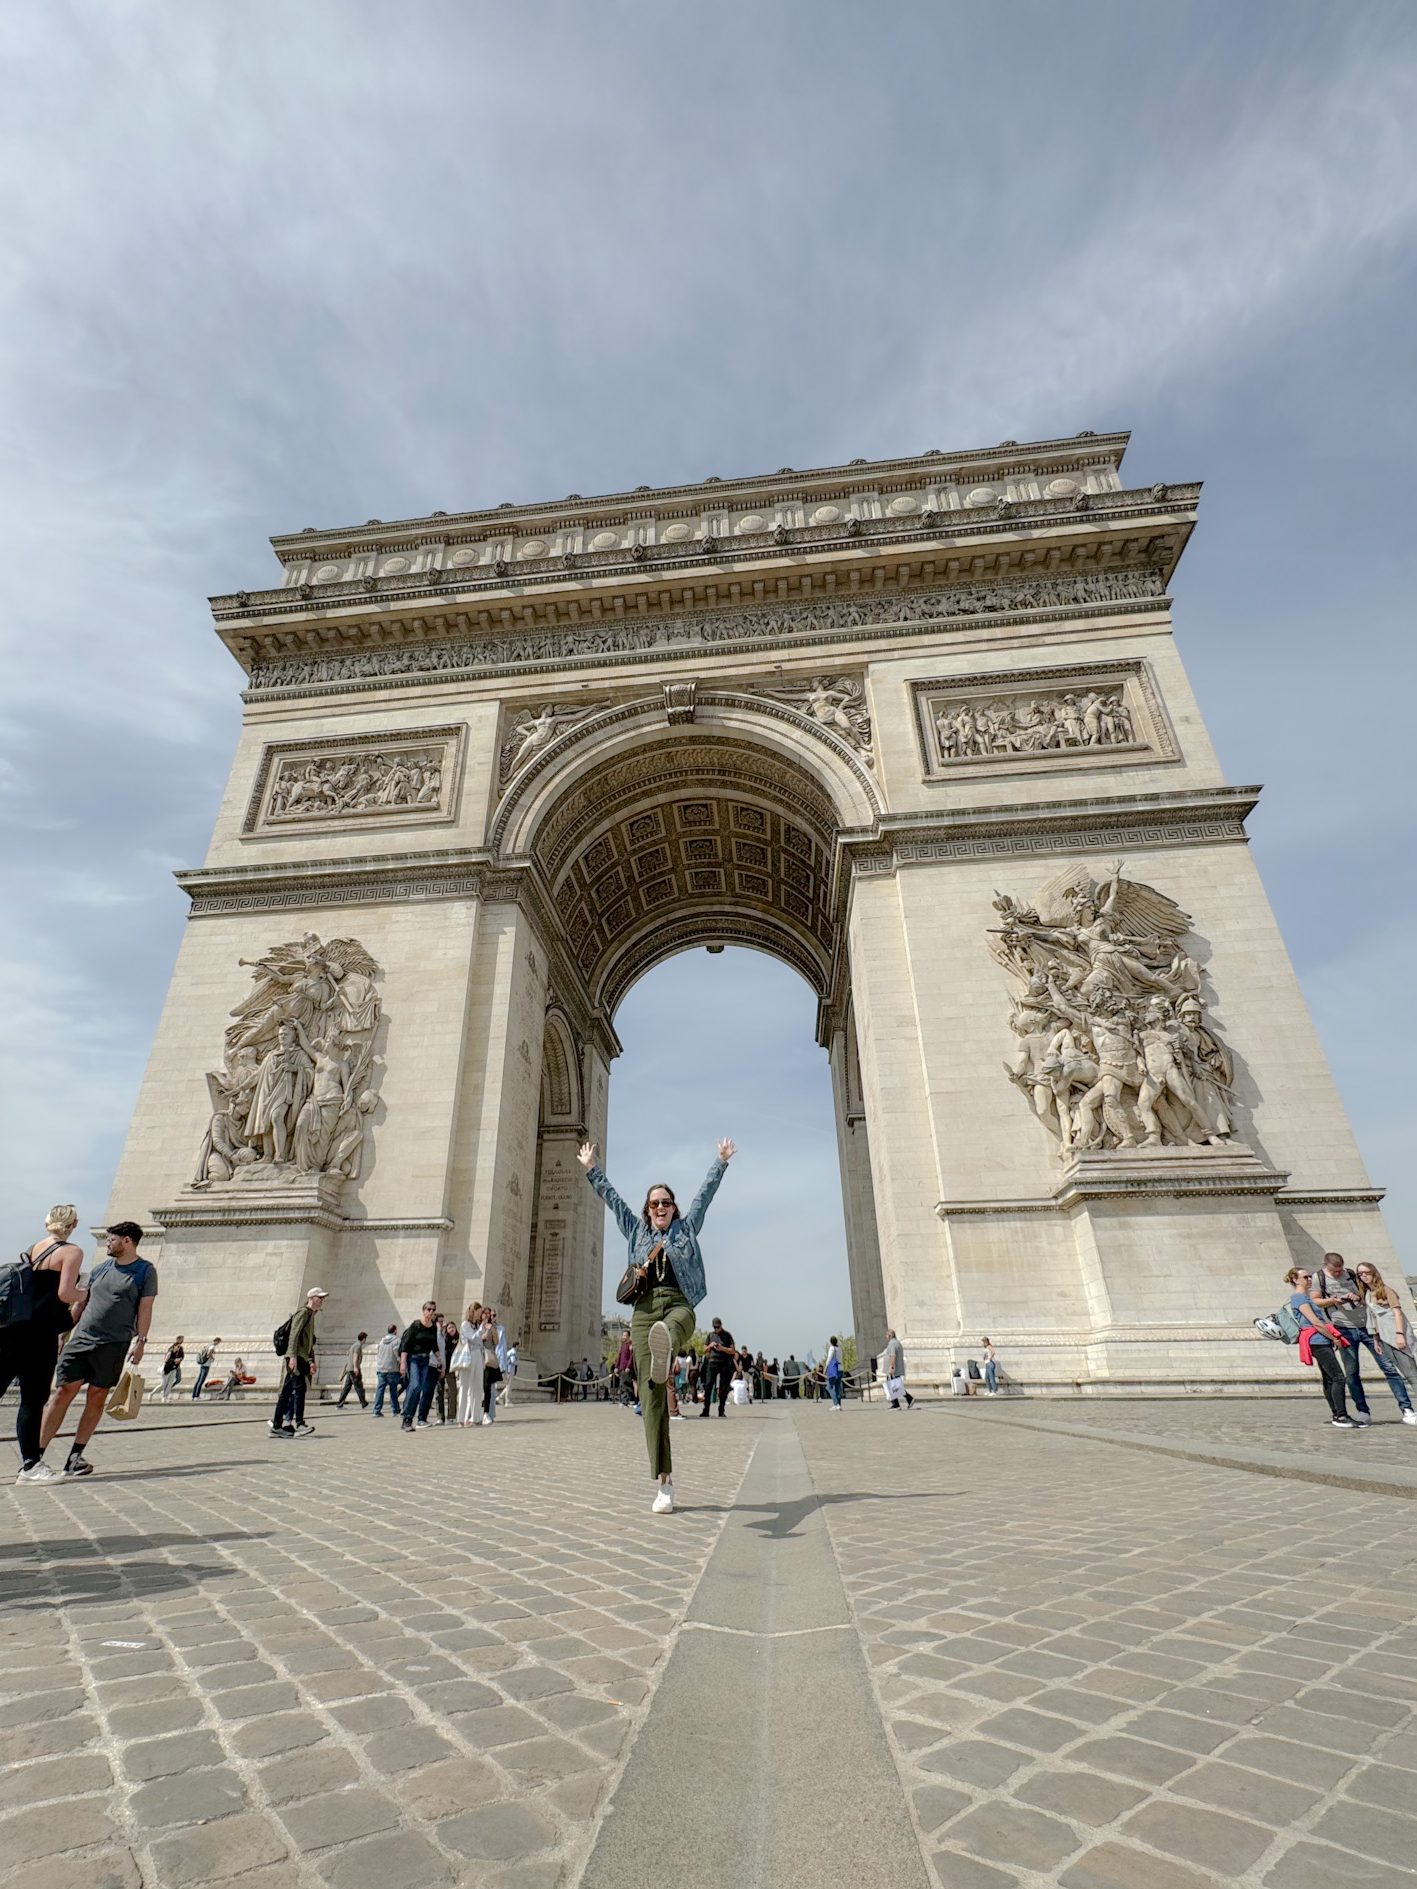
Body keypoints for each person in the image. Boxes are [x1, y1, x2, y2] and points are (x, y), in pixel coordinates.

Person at [580, 1135, 735, 1514]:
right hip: (644, 1311)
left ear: (674, 1207)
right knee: (651, 1403)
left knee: (674, 1325)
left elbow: (704, 1196)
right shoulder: (636, 1231)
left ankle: (666, 1343)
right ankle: (664, 1482)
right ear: (647, 1210)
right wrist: (592, 1169)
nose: (661, 1207)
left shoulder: (687, 1227)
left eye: (666, 1202)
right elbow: (613, 1201)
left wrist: (721, 1162)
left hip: (679, 1305)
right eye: (655, 1203)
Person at [34, 1222, 157, 1479]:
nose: (107, 1243)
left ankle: (75, 1457)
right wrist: (64, 1332)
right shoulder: (101, 1268)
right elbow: (82, 1303)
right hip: (82, 1339)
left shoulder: (145, 1271)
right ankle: (35, 1457)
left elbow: (145, 1308)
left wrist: (142, 1342)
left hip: (114, 1343)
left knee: (97, 1396)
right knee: (62, 1392)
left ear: (127, 1241)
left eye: (112, 1239)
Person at [5, 1205, 86, 1483]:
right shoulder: (72, 1251)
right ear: (74, 1224)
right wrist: (84, 1293)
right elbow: (65, 1293)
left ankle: (31, 1465)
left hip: (12, 1330)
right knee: (32, 1400)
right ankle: (30, 1466)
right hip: (39, 1335)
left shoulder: (33, 1248)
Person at [1309, 1252, 1416, 1426]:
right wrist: (1333, 1300)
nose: (1338, 1273)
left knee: (1389, 1368)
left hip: (1366, 1326)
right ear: (1325, 1265)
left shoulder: (1352, 1274)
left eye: (1340, 1270)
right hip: (1343, 1328)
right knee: (1352, 1372)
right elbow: (1315, 1300)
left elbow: (1366, 1293)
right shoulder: (1318, 1278)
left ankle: (1407, 1409)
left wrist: (1356, 1297)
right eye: (1335, 1271)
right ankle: (1363, 1411)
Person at [1285, 1267, 1357, 1427]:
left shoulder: (1305, 1297)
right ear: (1295, 1280)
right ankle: (1341, 1415)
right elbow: (1315, 1322)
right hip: (1317, 1340)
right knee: (1338, 1377)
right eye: (1305, 1277)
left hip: (1321, 1339)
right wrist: (1334, 1338)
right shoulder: (1298, 1298)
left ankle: (1337, 1414)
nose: (1310, 1279)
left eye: (1310, 1276)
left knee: (1330, 1378)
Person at [270, 1287, 326, 1437]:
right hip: (296, 1358)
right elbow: (294, 1335)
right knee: (299, 1390)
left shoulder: (311, 1315)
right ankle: (299, 1424)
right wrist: (292, 1356)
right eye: (320, 1297)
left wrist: (311, 1361)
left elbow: (308, 1342)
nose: (322, 1300)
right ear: (312, 1298)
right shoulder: (303, 1312)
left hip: (301, 1358)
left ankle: (276, 1426)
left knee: (287, 1392)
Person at [1356, 1262, 1417, 1398]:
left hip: (1397, 1334)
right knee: (1405, 1374)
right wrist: (1376, 1339)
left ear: (1373, 1273)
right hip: (1384, 1337)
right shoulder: (1367, 1294)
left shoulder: (1385, 1290)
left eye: (1366, 1272)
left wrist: (1400, 1334)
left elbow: (1397, 1313)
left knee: (1411, 1373)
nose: (1364, 1276)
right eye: (1360, 1274)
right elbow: (1373, 1318)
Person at [399, 1300, 442, 1431]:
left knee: (418, 1389)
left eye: (433, 1310)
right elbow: (405, 1345)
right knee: (415, 1385)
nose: (431, 1312)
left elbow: (434, 1345)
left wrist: (440, 1359)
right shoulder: (416, 1325)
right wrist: (402, 1363)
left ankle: (408, 1419)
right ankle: (406, 1417)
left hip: (425, 1360)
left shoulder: (433, 1327)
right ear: (423, 1311)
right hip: (413, 1359)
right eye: (429, 1309)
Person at [699, 1318, 736, 1419]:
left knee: (723, 1388)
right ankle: (706, 1410)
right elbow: (704, 1349)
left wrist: (722, 1348)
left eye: (718, 1327)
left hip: (724, 1364)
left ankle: (721, 1410)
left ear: (721, 1325)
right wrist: (710, 1346)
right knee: (708, 1387)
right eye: (715, 1327)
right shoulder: (710, 1335)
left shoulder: (727, 1335)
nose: (716, 1329)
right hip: (712, 1363)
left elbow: (733, 1350)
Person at [456, 1302, 485, 1426]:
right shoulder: (465, 1325)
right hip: (468, 1355)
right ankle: (461, 1418)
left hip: (478, 1355)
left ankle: (475, 1417)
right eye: (479, 1312)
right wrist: (481, 1329)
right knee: (465, 1387)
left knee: (477, 1387)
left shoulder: (476, 1325)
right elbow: (473, 1338)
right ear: (474, 1311)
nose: (480, 1315)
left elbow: (480, 1341)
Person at [478, 1308, 505, 1423]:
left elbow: (497, 1342)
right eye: (485, 1313)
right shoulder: (476, 1326)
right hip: (477, 1358)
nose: (488, 1316)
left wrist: (492, 1329)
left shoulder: (492, 1327)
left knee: (487, 1386)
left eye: (489, 1314)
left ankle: (487, 1413)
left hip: (488, 1359)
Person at [372, 1323, 402, 1416]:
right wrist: (401, 1363)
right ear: (395, 1330)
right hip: (392, 1369)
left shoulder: (381, 1341)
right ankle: (395, 1410)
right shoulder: (397, 1340)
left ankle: (376, 1410)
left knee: (380, 1390)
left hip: (381, 1368)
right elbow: (397, 1354)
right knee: (393, 1391)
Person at [881, 1329, 914, 1410]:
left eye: (886, 1335)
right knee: (896, 1386)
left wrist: (891, 1367)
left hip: (893, 1370)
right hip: (895, 1369)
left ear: (890, 1335)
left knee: (892, 1386)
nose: (885, 1337)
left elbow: (893, 1356)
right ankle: (907, 1400)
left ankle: (898, 1404)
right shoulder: (897, 1343)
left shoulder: (892, 1344)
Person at [336, 1331, 368, 1409]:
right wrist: (356, 1367)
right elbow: (355, 1356)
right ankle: (364, 1403)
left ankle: (339, 1404)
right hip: (353, 1369)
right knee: (359, 1386)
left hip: (350, 1369)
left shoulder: (354, 1345)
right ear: (363, 1339)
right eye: (365, 1339)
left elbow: (348, 1353)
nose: (365, 1340)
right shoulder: (358, 1346)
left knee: (347, 1388)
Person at [158, 1335, 185, 1402]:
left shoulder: (180, 1349)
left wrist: (179, 1359)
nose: (179, 1348)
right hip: (168, 1369)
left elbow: (182, 1356)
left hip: (175, 1368)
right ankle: (163, 1395)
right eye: (181, 1339)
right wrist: (174, 1360)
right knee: (165, 1383)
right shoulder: (171, 1350)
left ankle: (166, 1395)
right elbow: (166, 1360)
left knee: (173, 1382)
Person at [825, 1336, 844, 1409]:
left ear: (830, 1342)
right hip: (840, 1368)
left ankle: (836, 1404)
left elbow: (829, 1358)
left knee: (829, 1387)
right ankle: (839, 1404)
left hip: (834, 1369)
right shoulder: (839, 1349)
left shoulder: (832, 1348)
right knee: (837, 1387)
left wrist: (826, 1368)